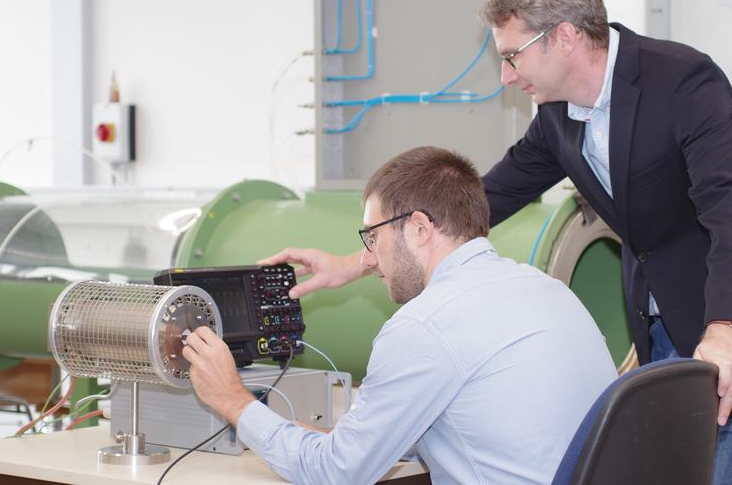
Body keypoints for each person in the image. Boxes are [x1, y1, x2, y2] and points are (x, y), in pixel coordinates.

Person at [263, 0, 732, 483]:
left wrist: (728, 328)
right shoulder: (558, 117)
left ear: (563, 36)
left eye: (512, 56)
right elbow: (473, 205)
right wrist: (364, 259)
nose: (506, 76)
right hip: (663, 327)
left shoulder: (681, 80)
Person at [183, 146, 617, 484]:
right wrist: (354, 442)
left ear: (420, 229)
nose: (370, 256)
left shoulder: (425, 326)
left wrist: (233, 399)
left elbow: (334, 474)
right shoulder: (550, 291)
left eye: (372, 236)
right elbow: (487, 426)